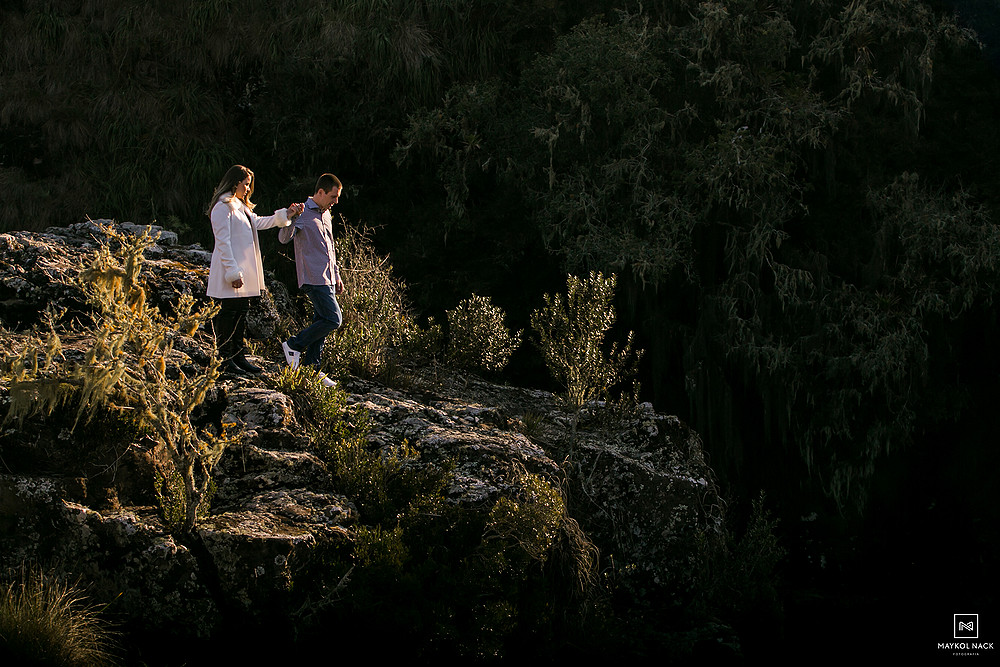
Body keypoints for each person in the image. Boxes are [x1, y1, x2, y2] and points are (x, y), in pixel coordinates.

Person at [206, 164, 304, 375]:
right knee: (229, 313)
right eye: (246, 184)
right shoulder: (223, 207)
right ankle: (224, 358)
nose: (248, 189)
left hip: (243, 270)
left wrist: (287, 213)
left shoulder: (241, 208)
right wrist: (232, 272)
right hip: (229, 271)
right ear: (235, 183)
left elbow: (259, 223)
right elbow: (222, 242)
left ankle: (237, 356)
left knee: (241, 312)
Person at [278, 173, 344, 388]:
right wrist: (291, 217)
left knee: (321, 322)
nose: (336, 201)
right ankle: (293, 345)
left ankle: (311, 369)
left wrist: (337, 275)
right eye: (333, 196)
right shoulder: (303, 213)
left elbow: (330, 248)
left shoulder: (326, 215)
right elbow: (283, 238)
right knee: (334, 319)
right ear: (321, 192)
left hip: (327, 278)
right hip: (312, 277)